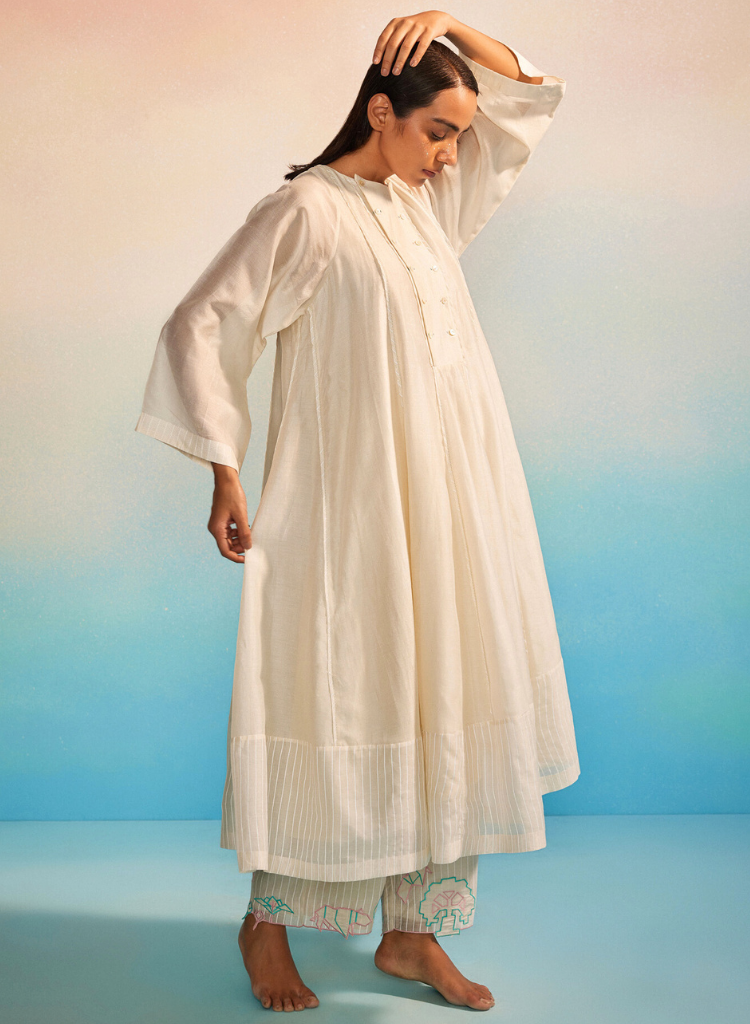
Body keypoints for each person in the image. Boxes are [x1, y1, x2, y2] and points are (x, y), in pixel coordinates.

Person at [135, 9, 580, 1013]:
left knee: (445, 688)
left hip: (454, 500)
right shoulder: (307, 211)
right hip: (354, 506)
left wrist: (453, 24)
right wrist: (224, 472)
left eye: (457, 139)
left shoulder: (427, 206)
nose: (452, 154)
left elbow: (531, 99)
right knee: (341, 691)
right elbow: (204, 322)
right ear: (381, 113)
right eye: (437, 133)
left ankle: (413, 934)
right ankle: (268, 924)